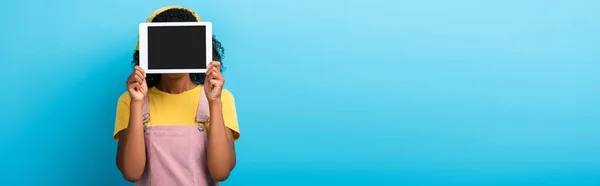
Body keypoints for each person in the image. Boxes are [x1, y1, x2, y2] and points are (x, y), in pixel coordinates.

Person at [113, 6, 240, 186]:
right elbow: (131, 173)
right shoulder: (130, 101)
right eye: (166, 44)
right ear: (149, 49)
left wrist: (214, 103)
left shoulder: (221, 98)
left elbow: (220, 172)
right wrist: (136, 105)